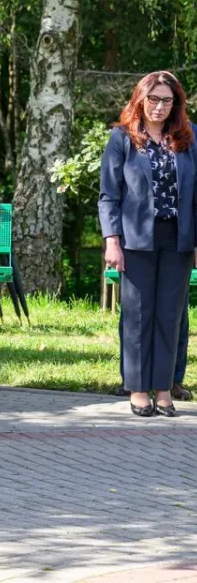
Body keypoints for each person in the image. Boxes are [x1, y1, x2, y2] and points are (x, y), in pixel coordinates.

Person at [99, 70, 197, 419]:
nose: (158, 106)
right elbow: (108, 196)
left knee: (170, 317)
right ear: (141, 99)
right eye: (152, 99)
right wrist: (112, 241)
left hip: (178, 239)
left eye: (166, 100)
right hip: (135, 240)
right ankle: (138, 389)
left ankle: (164, 389)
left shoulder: (189, 137)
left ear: (176, 104)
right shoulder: (122, 138)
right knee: (138, 316)